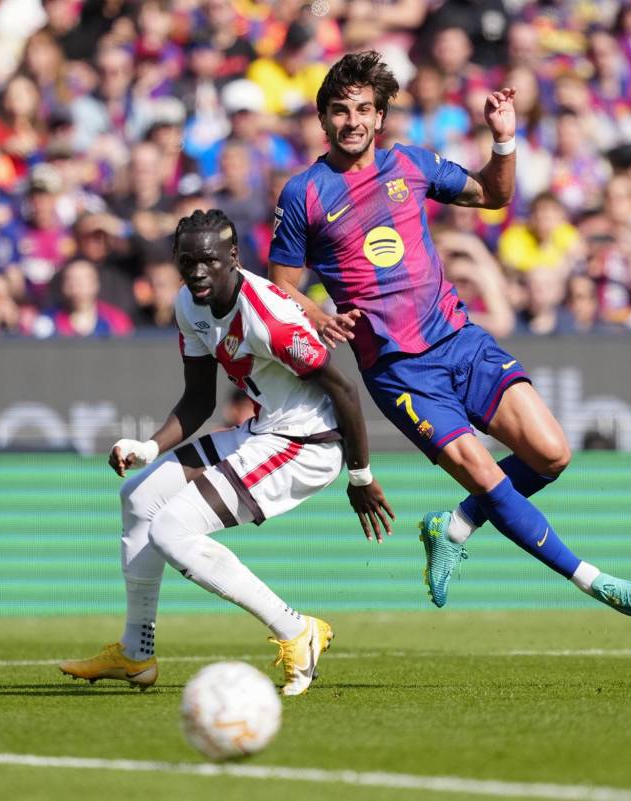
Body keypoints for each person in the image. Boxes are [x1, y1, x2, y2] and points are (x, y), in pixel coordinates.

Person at [268, 52, 631, 616]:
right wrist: (320, 314)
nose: (351, 121)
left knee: (551, 455)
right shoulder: (303, 193)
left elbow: (494, 196)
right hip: (399, 371)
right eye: (339, 110)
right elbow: (280, 285)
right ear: (323, 118)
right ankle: (592, 581)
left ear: (380, 117)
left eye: (362, 109)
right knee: (484, 473)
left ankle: (453, 525)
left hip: (459, 339)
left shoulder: (411, 164)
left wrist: (503, 141)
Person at [60, 210, 393, 695]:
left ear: (233, 258)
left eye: (209, 261)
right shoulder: (188, 305)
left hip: (308, 443)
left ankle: (297, 630)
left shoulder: (269, 317)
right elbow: (199, 399)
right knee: (138, 498)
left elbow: (343, 390)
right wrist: (150, 446)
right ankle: (136, 653)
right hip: (264, 431)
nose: (197, 272)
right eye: (187, 261)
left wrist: (360, 476)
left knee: (173, 528)